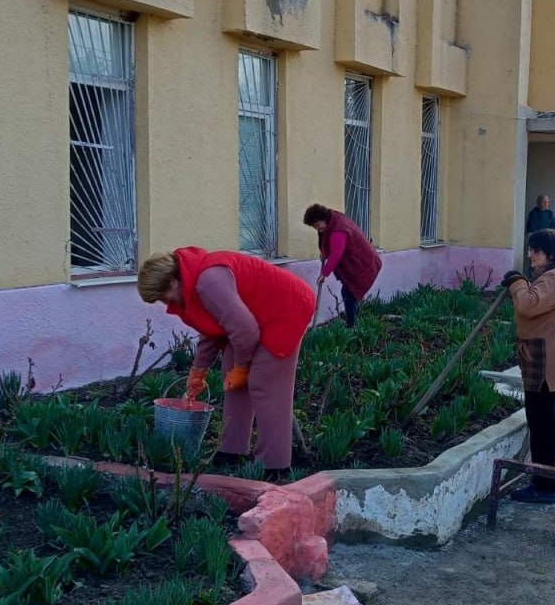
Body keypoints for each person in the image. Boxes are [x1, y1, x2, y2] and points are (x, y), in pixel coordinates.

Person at [137, 248, 315, 478]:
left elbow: (245, 331)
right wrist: (198, 371)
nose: (165, 303)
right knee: (233, 378)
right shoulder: (192, 285)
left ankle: (275, 465)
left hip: (285, 309)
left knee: (264, 383)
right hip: (255, 316)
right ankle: (232, 450)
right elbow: (212, 329)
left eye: (163, 297)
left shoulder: (208, 283)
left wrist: (242, 367)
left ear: (172, 281)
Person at [499, 229, 555, 503]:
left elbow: (527, 304)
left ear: (551, 254)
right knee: (547, 417)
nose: (530, 255)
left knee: (541, 423)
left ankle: (545, 486)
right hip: (550, 358)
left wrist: (517, 283)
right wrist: (522, 282)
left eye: (535, 250)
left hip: (547, 360)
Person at [303, 203, 383, 328]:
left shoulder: (338, 229)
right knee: (350, 293)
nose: (318, 229)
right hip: (359, 261)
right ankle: (355, 324)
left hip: (364, 263)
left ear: (323, 218)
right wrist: (324, 253)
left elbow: (336, 253)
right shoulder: (332, 219)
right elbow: (327, 241)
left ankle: (351, 327)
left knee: (349, 293)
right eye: (315, 227)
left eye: (318, 225)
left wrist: (324, 273)